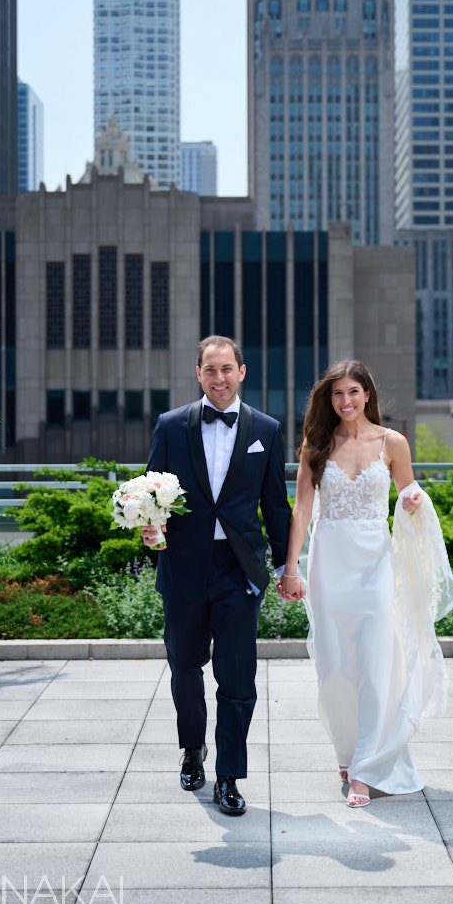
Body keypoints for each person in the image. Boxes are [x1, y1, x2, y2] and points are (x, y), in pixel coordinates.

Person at [278, 360, 453, 807]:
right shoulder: (316, 444)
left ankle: (366, 767)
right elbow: (302, 510)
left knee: (378, 660)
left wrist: (414, 499)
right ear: (329, 399)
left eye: (354, 392)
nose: (346, 401)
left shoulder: (392, 442)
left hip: (378, 563)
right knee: (336, 665)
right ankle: (348, 749)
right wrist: (291, 568)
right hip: (329, 562)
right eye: (338, 394)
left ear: (367, 394)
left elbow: (408, 493)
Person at [143, 335, 291, 816]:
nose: (220, 378)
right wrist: (149, 529)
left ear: (242, 372)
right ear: (198, 374)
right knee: (185, 668)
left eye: (227, 369)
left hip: (237, 570)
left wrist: (288, 567)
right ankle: (193, 750)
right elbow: (150, 495)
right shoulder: (169, 426)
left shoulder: (266, 430)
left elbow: (274, 504)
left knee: (237, 678)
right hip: (184, 566)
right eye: (211, 370)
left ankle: (229, 775)